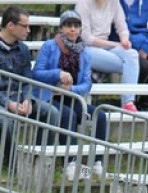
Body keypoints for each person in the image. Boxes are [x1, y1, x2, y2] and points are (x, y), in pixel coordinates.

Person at [0, 6, 60, 165]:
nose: (28, 30)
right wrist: (9, 104)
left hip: (17, 97)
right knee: (4, 120)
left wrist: (27, 99)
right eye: (25, 26)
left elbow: (27, 79)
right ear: (11, 26)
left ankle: (38, 162)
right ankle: (13, 164)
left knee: (52, 113)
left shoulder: (23, 49)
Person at [32, 10, 109, 180]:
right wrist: (57, 74)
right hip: (49, 96)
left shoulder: (85, 52)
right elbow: (37, 73)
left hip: (71, 97)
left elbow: (87, 84)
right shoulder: (49, 46)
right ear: (61, 28)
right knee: (68, 115)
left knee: (100, 115)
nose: (72, 29)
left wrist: (70, 90)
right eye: (68, 26)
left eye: (76, 26)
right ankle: (71, 163)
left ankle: (97, 162)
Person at [76, 0, 140, 111]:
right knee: (129, 64)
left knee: (132, 54)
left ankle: (128, 101)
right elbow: (86, 38)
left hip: (105, 46)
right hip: (85, 48)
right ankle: (127, 102)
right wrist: (117, 44)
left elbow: (122, 27)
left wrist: (124, 40)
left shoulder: (113, 2)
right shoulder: (83, 3)